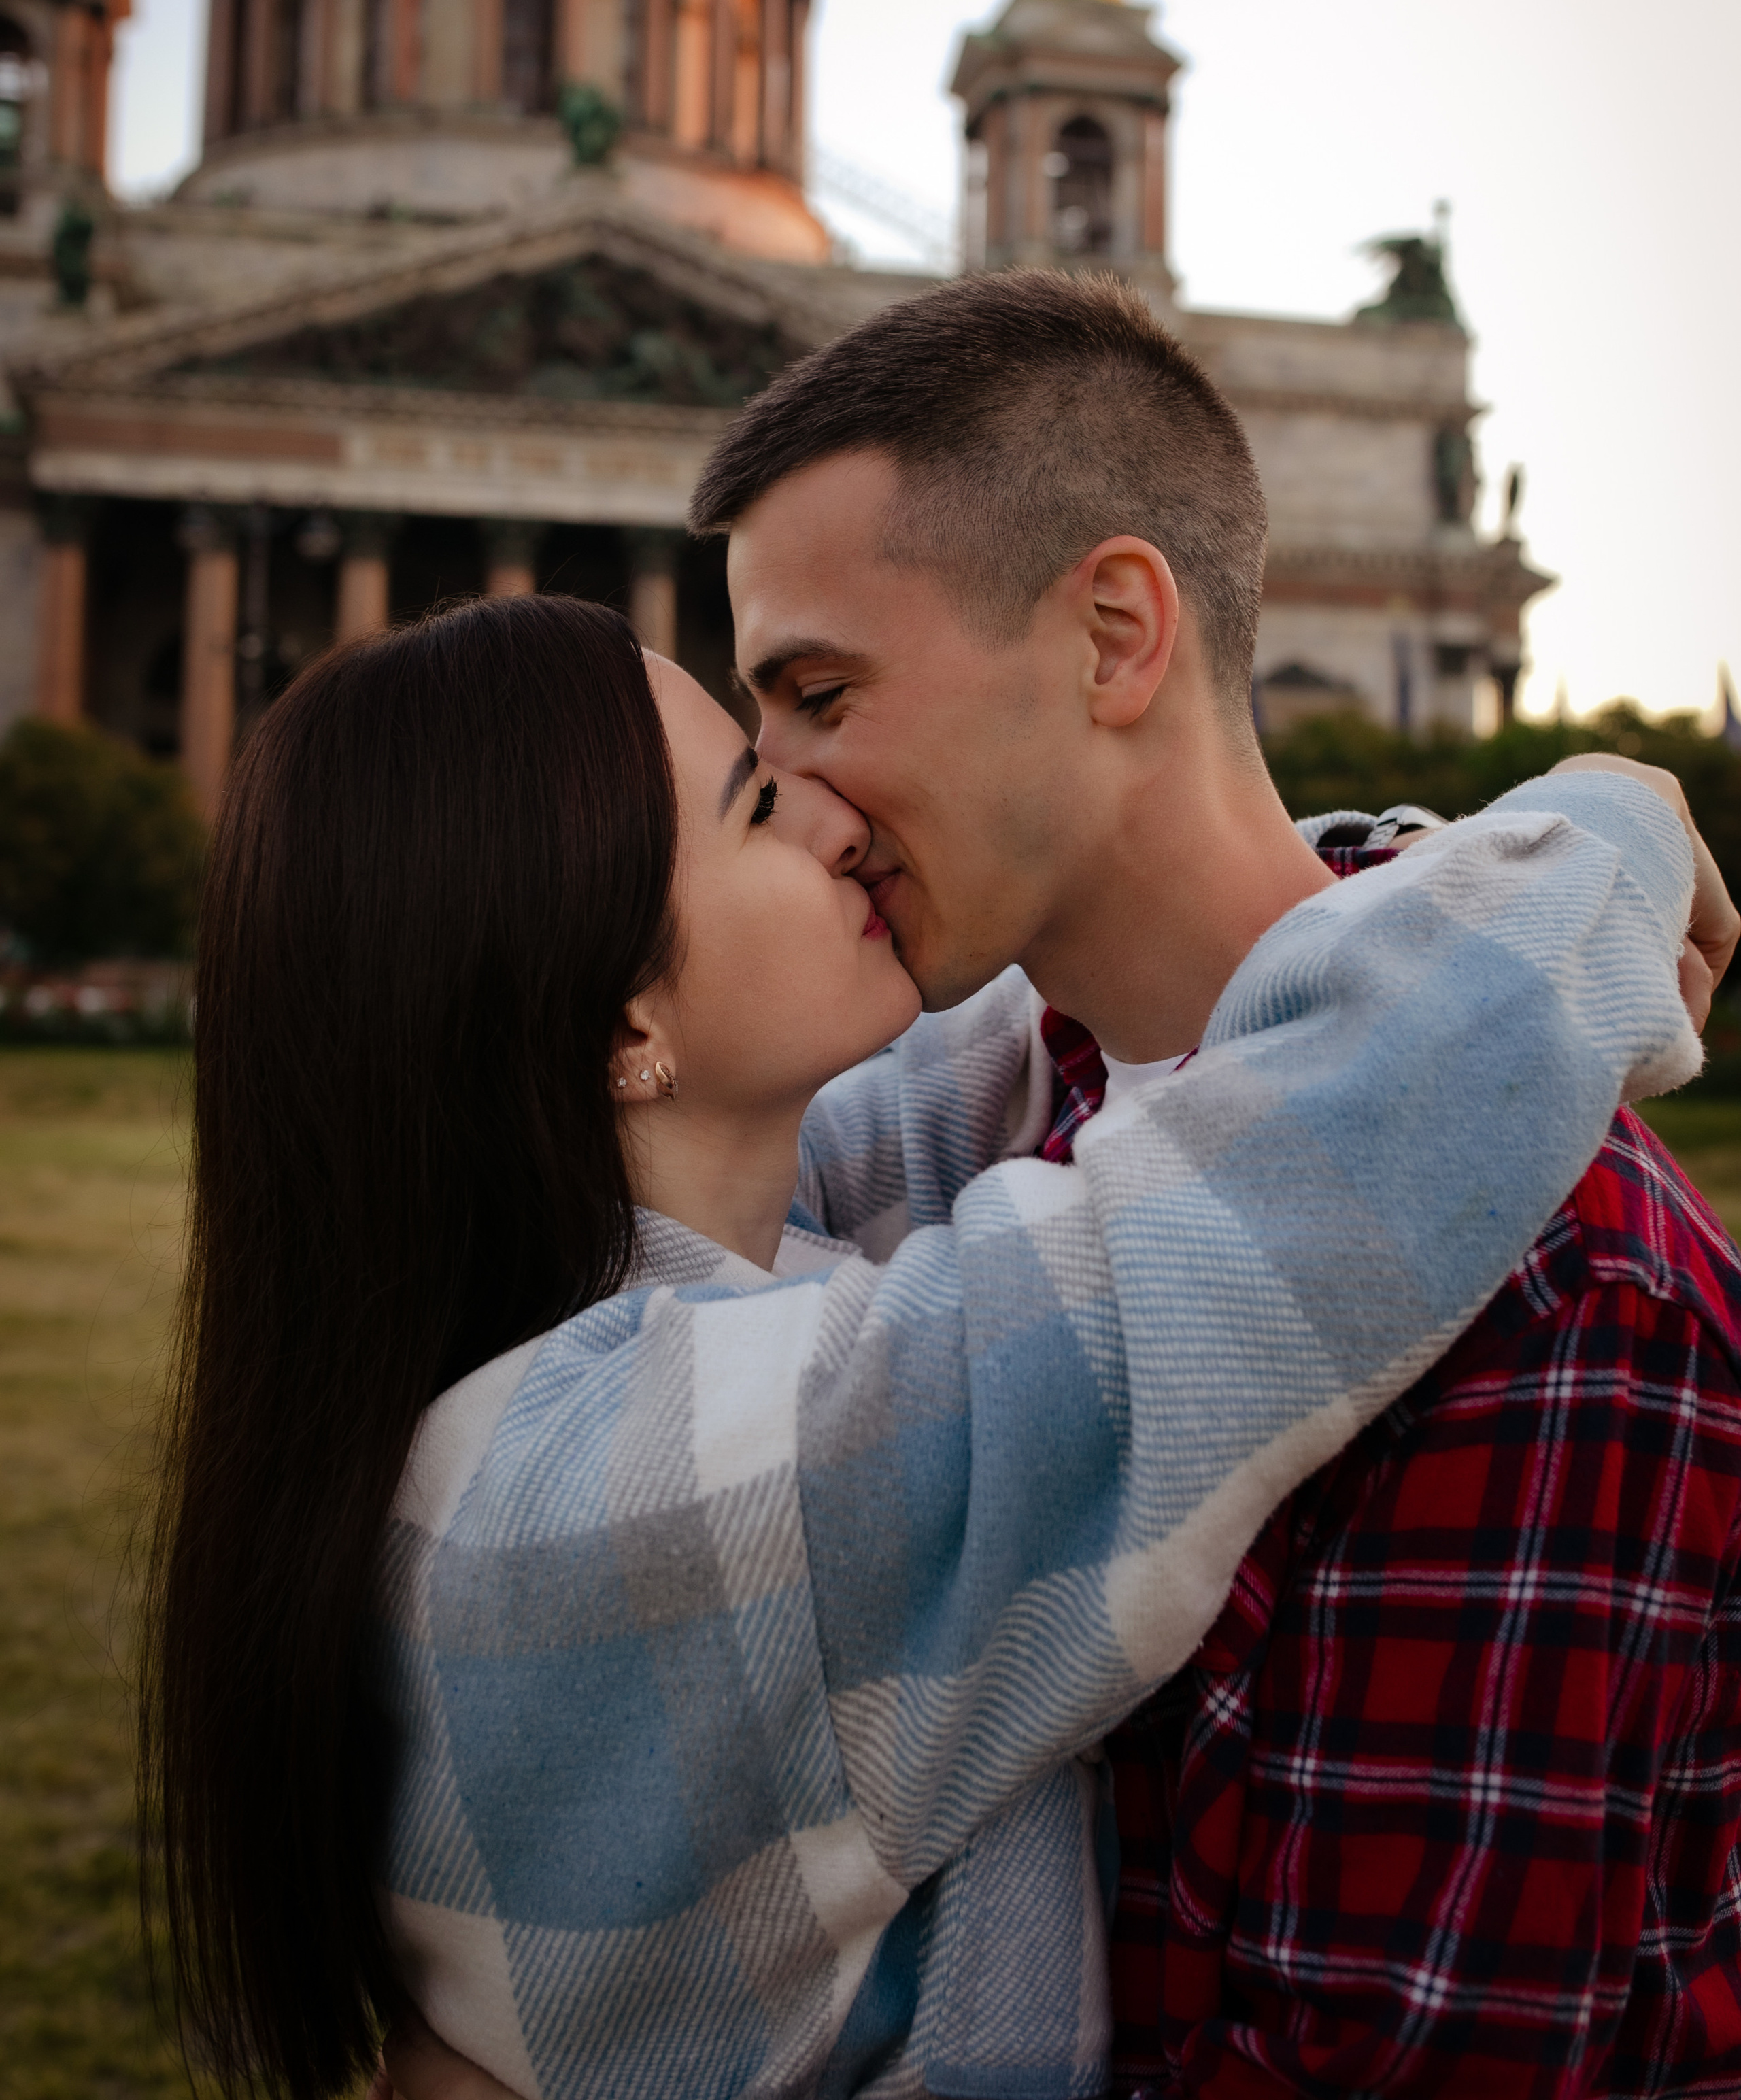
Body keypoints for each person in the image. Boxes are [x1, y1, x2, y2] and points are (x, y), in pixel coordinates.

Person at [359, 269, 1736, 2100]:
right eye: (756, 772)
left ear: (1109, 638)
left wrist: (1466, 876)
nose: (812, 800)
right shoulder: (1010, 1171)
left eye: (819, 698)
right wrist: (1589, 853)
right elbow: (1296, 1122)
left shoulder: (1554, 1282)